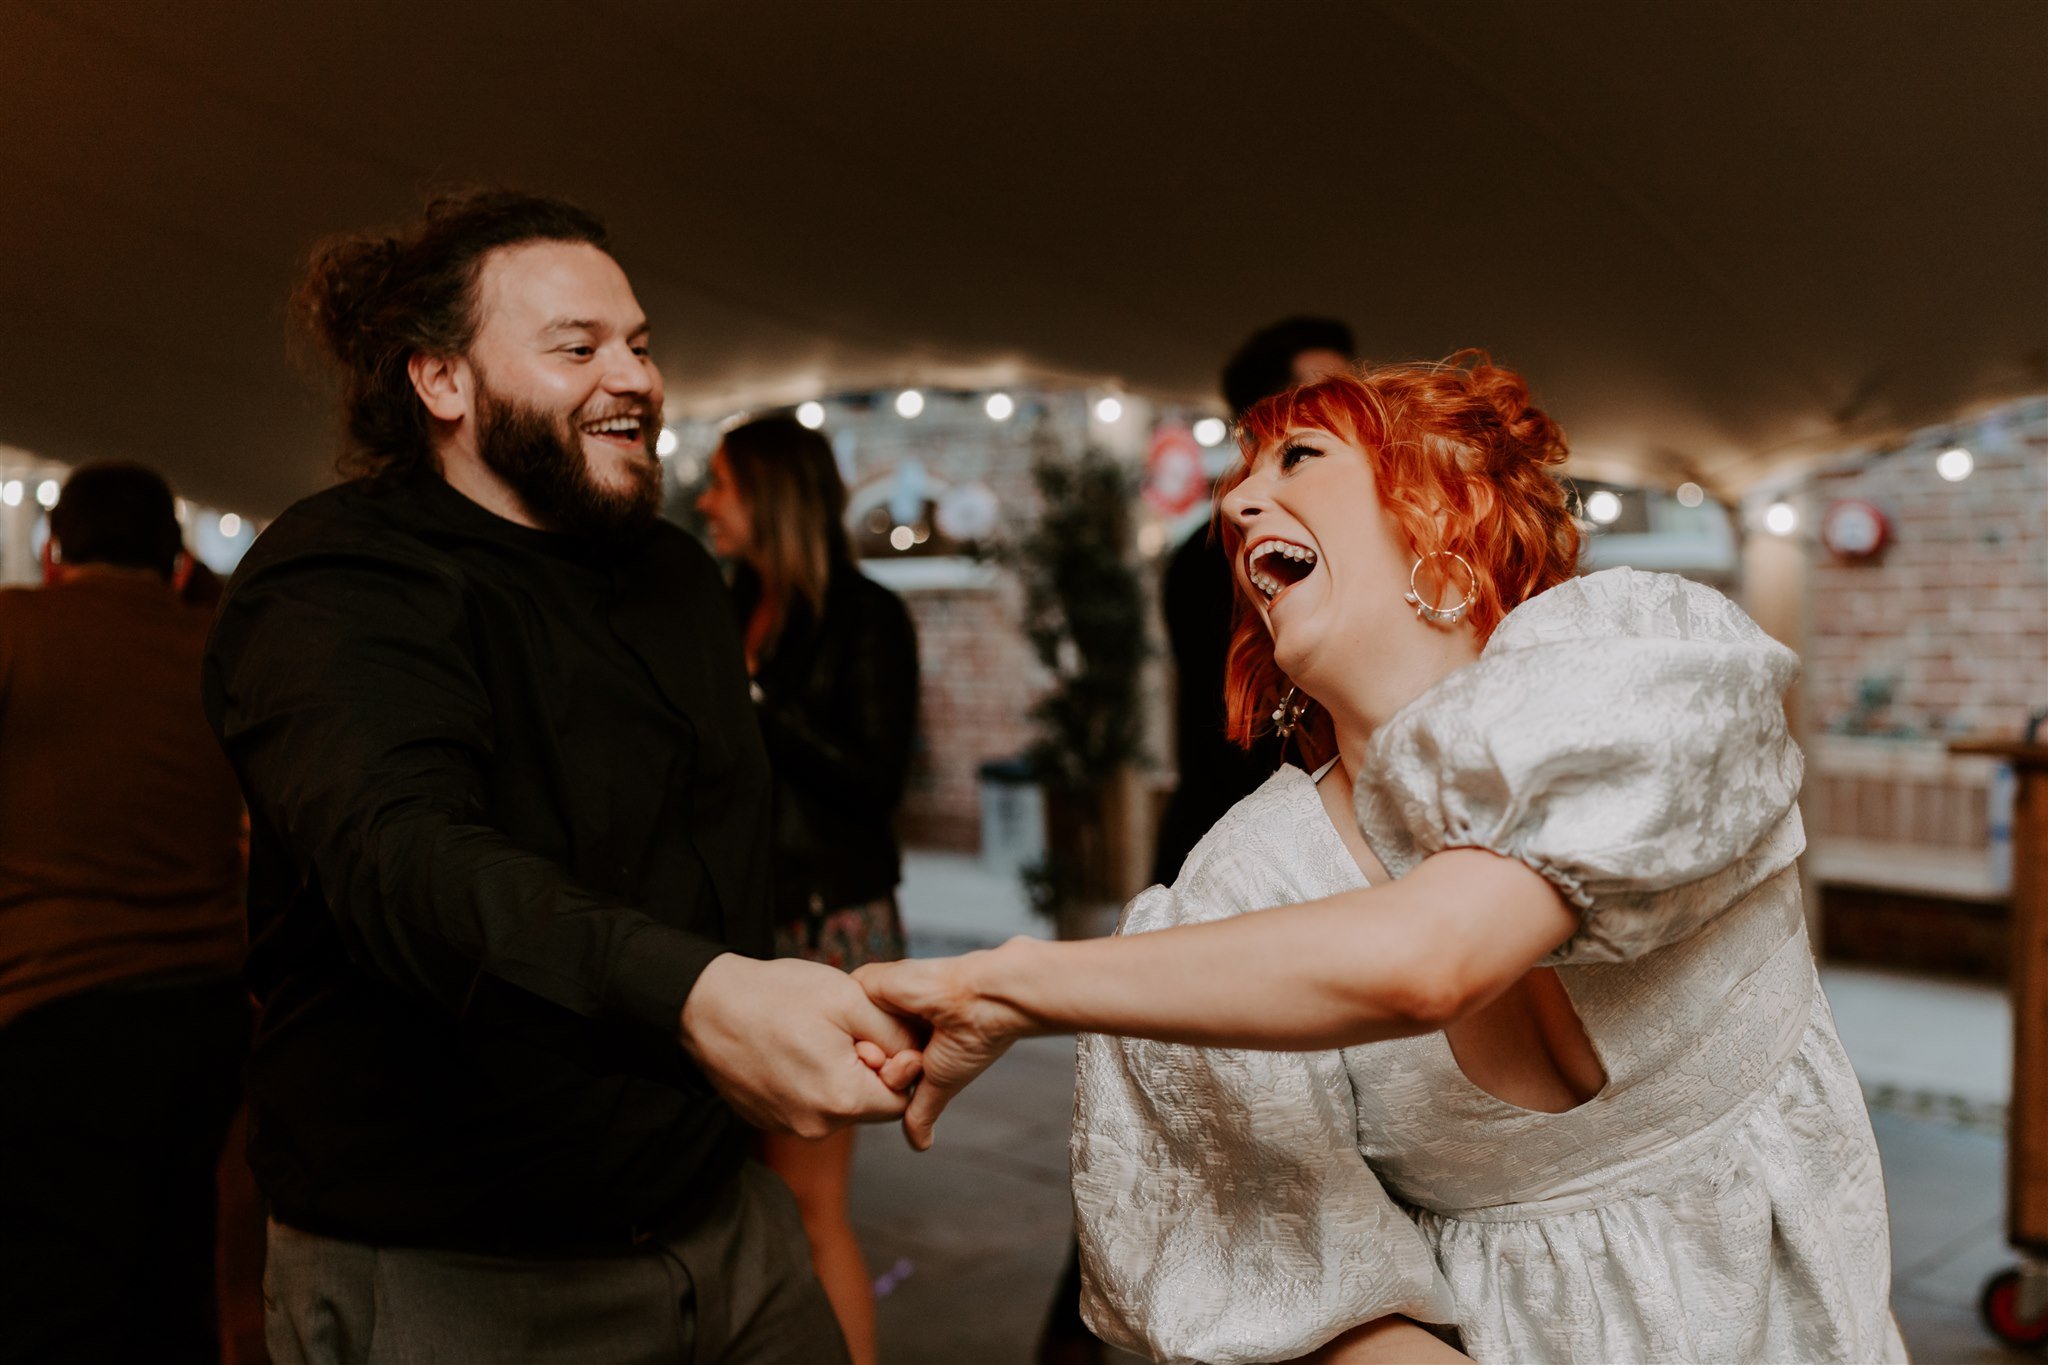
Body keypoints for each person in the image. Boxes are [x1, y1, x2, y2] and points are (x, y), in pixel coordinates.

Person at [858, 354, 1904, 1363]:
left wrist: (1007, 984)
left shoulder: (1646, 657)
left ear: (1444, 511)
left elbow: (1431, 958)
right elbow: (1302, 1301)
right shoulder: (1241, 889)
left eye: (1296, 459)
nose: (1233, 506)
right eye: (1237, 479)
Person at [203, 190, 919, 1365]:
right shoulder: (339, 580)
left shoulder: (676, 577)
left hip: (724, 1230)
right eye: (575, 348)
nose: (630, 376)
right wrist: (701, 998)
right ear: (441, 382)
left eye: (637, 344)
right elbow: (407, 861)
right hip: (456, 1267)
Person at [0, 463, 249, 1365]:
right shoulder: (219, 653)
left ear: (54, 547)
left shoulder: (14, 626)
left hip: (55, 1012)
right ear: (175, 558)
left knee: (50, 1301)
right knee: (172, 1279)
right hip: (208, 1017)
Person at [694, 414, 920, 1365]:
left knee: (807, 1199)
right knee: (751, 1196)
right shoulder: (721, 604)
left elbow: (874, 775)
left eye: (723, 484)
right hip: (743, 923)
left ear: (772, 495)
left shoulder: (865, 617)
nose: (705, 501)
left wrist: (756, 705)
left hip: (833, 922)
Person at [1150, 315, 1356, 886]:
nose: (1353, 411)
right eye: (1322, 397)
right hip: (1244, 844)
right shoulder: (1216, 555)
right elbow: (1234, 734)